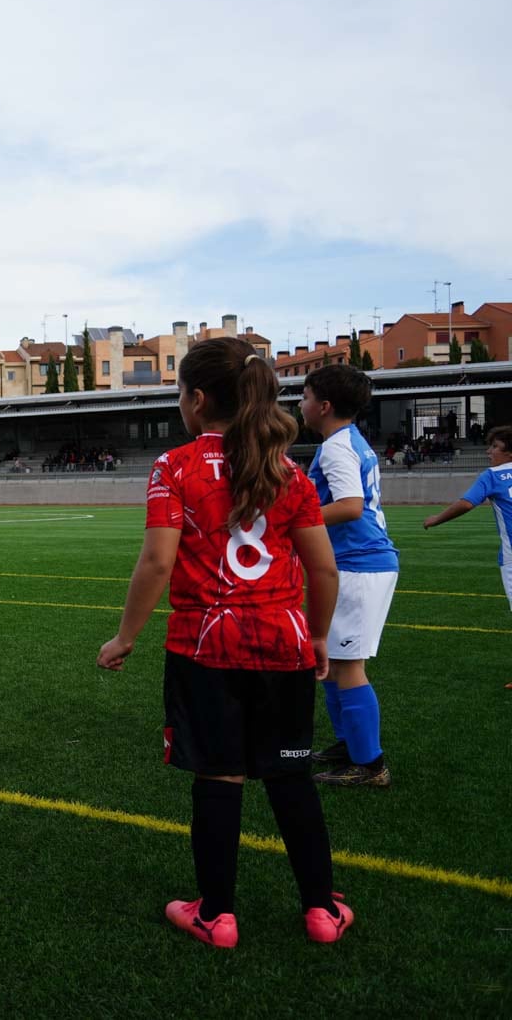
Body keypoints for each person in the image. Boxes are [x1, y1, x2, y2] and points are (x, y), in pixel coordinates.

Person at [97, 337, 349, 950]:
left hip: (205, 648)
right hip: (282, 646)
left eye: (180, 392)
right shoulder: (288, 469)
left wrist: (125, 636)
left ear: (198, 398)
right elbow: (324, 570)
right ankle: (321, 910)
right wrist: (316, 634)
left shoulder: (175, 466)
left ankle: (217, 915)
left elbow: (158, 561)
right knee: (291, 777)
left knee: (219, 777)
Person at [299, 365, 399, 788]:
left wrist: (294, 521)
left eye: (303, 397)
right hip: (355, 563)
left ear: (323, 406)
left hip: (359, 564)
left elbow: (351, 506)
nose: (299, 405)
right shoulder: (345, 441)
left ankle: (370, 765)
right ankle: (349, 746)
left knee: (349, 665)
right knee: (334, 664)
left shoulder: (338, 446)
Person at [422, 426, 512, 689]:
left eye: (494, 447)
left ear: (508, 451)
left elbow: (466, 503)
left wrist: (436, 519)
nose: (488, 452)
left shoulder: (493, 475)